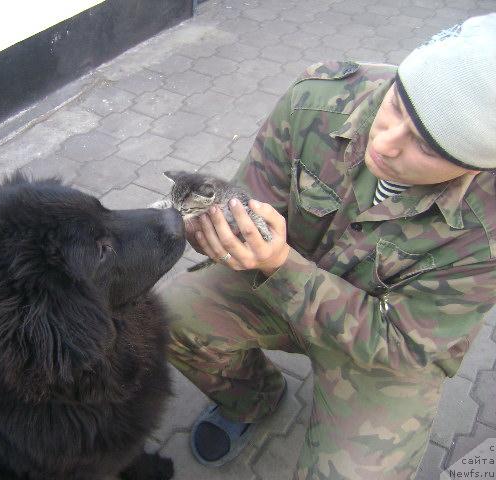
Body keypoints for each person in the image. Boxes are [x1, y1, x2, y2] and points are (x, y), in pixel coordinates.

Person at [159, 13, 496, 480]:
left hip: (379, 348)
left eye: (427, 147)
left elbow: (401, 344)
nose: (387, 141)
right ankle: (254, 400)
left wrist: (280, 265)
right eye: (397, 106)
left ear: (477, 165)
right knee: (168, 316)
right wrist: (216, 235)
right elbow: (251, 195)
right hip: (272, 285)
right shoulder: (320, 98)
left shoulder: (489, 231)